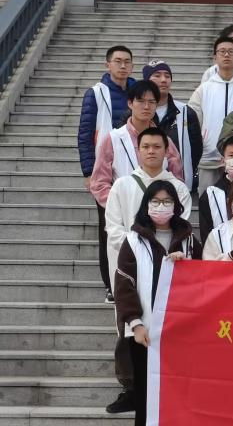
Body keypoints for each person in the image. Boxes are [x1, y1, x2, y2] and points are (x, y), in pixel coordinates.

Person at [115, 180, 202, 425]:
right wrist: (135, 323)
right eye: (156, 201)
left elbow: (204, 279)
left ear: (176, 206)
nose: (161, 206)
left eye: (167, 201)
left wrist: (186, 266)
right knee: (146, 397)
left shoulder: (189, 241)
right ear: (146, 205)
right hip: (145, 333)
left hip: (180, 332)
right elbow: (124, 285)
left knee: (179, 396)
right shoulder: (133, 240)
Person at [78, 45, 135, 306]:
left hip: (134, 168)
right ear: (107, 64)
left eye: (127, 62)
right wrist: (88, 171)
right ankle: (111, 284)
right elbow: (85, 133)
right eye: (118, 61)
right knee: (108, 229)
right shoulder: (96, 93)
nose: (123, 66)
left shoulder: (138, 91)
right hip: (106, 171)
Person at [106, 127, 192, 289]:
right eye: (145, 147)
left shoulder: (179, 188)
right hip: (129, 262)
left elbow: (181, 227)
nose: (151, 151)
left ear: (166, 151)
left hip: (168, 261)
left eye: (157, 147)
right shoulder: (122, 185)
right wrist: (138, 250)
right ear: (138, 151)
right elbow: (113, 227)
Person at [90, 80, 183, 208]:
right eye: (141, 101)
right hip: (124, 211)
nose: (146, 106)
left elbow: (178, 180)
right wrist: (118, 207)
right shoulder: (114, 139)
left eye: (151, 102)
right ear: (130, 103)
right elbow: (99, 183)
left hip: (159, 211)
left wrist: (165, 207)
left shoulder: (164, 141)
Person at [188, 36, 233, 193]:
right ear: (215, 56)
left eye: (231, 51)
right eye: (222, 51)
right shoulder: (204, 89)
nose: (226, 55)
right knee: (208, 200)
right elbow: (192, 120)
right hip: (209, 156)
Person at [144, 59, 202, 191]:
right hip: (144, 182)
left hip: (179, 183)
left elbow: (196, 149)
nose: (163, 80)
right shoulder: (137, 112)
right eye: (157, 75)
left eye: (167, 76)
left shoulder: (186, 112)